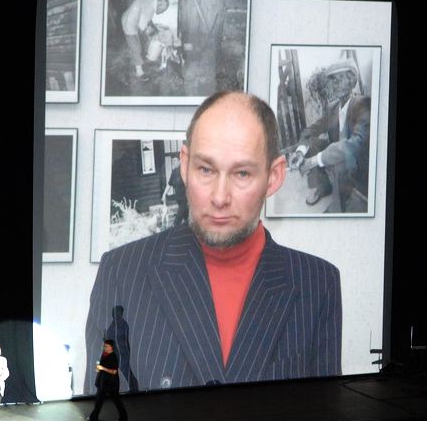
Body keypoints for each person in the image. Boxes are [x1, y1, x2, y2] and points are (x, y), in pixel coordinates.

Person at [85, 91, 342, 394]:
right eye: (206, 169)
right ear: (184, 165)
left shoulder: (316, 283)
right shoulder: (122, 273)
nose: (220, 198)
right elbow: (102, 415)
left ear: (274, 177)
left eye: (242, 173)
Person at [289, 58, 371, 212]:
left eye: (339, 79)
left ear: (352, 81)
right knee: (312, 144)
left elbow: (353, 146)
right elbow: (310, 132)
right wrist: (300, 152)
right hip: (337, 156)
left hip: (355, 163)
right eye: (332, 80)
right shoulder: (333, 108)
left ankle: (340, 204)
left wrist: (315, 160)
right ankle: (324, 186)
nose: (334, 85)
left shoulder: (363, 104)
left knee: (340, 160)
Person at [120, 0, 169, 81]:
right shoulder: (150, 8)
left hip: (128, 16)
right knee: (136, 47)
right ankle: (139, 73)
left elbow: (148, 20)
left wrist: (154, 27)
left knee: (139, 44)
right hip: (129, 23)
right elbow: (142, 27)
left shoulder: (152, 1)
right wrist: (153, 37)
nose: (162, 12)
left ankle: (139, 59)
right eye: (163, 10)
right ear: (159, 4)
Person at [86, 339, 128, 421]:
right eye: (104, 346)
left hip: (111, 383)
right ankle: (94, 416)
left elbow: (114, 371)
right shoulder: (104, 355)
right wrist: (98, 369)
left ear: (111, 347)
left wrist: (102, 368)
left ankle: (123, 418)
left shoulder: (113, 356)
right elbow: (101, 367)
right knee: (99, 401)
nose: (104, 347)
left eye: (106, 346)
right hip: (103, 382)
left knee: (116, 401)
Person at [161, 155, 189, 226]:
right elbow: (169, 184)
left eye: (175, 161)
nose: (174, 162)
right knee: (187, 218)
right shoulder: (174, 172)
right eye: (173, 161)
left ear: (179, 161)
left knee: (177, 220)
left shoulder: (184, 171)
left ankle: (173, 229)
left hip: (185, 200)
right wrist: (164, 194)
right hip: (179, 200)